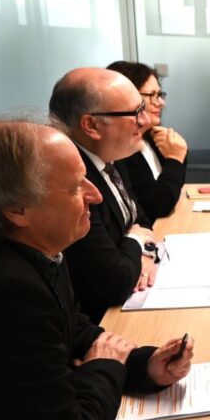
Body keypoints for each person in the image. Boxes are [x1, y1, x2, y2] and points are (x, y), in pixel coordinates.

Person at [0, 120, 194, 420]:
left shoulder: (31, 249)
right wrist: (106, 367)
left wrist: (143, 365)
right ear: (17, 208)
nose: (95, 195)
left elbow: (71, 330)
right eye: (75, 187)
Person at [50, 67, 158, 323]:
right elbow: (115, 281)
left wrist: (142, 252)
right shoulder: (71, 178)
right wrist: (135, 240)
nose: (145, 121)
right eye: (135, 113)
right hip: (101, 319)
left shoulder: (111, 152)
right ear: (91, 125)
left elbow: (142, 219)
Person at [107, 61, 188, 220]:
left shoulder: (152, 136)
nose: (161, 103)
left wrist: (177, 155)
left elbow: (174, 188)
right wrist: (175, 159)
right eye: (152, 95)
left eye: (160, 94)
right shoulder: (123, 149)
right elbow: (158, 205)